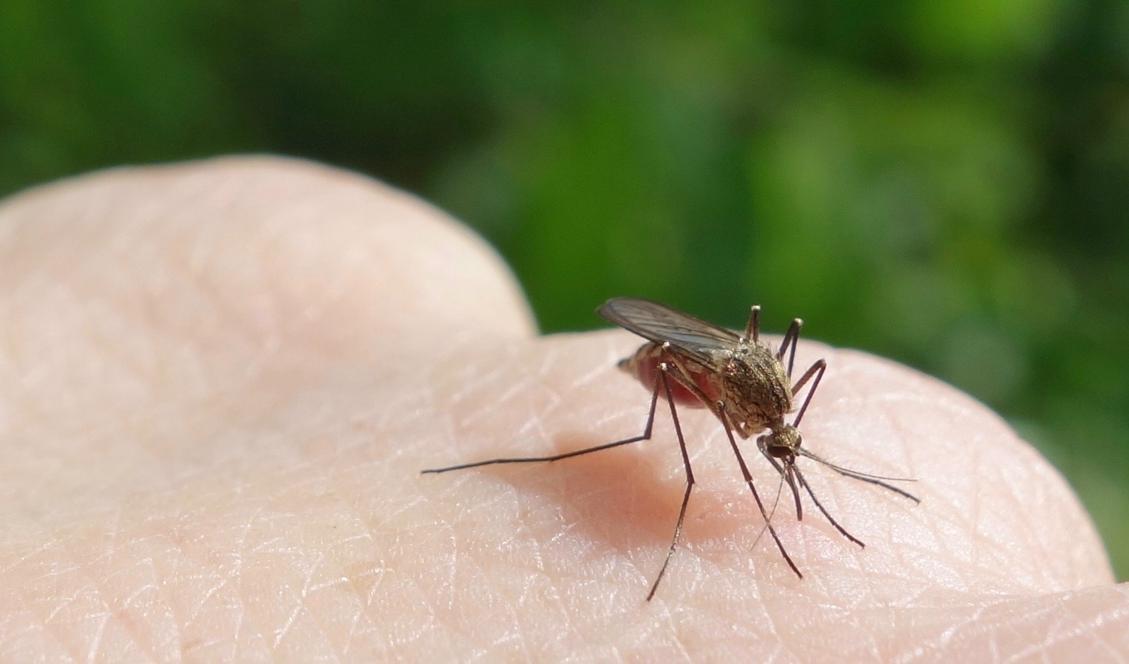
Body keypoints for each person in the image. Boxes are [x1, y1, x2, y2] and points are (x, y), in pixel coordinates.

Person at [0, 157, 1121, 660]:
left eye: (786, 454)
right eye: (785, 455)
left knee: (747, 406)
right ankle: (560, 472)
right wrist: (732, 455)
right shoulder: (733, 388)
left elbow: (773, 406)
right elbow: (710, 368)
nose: (780, 452)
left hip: (714, 365)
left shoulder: (779, 404)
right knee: (659, 440)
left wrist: (792, 467)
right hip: (670, 370)